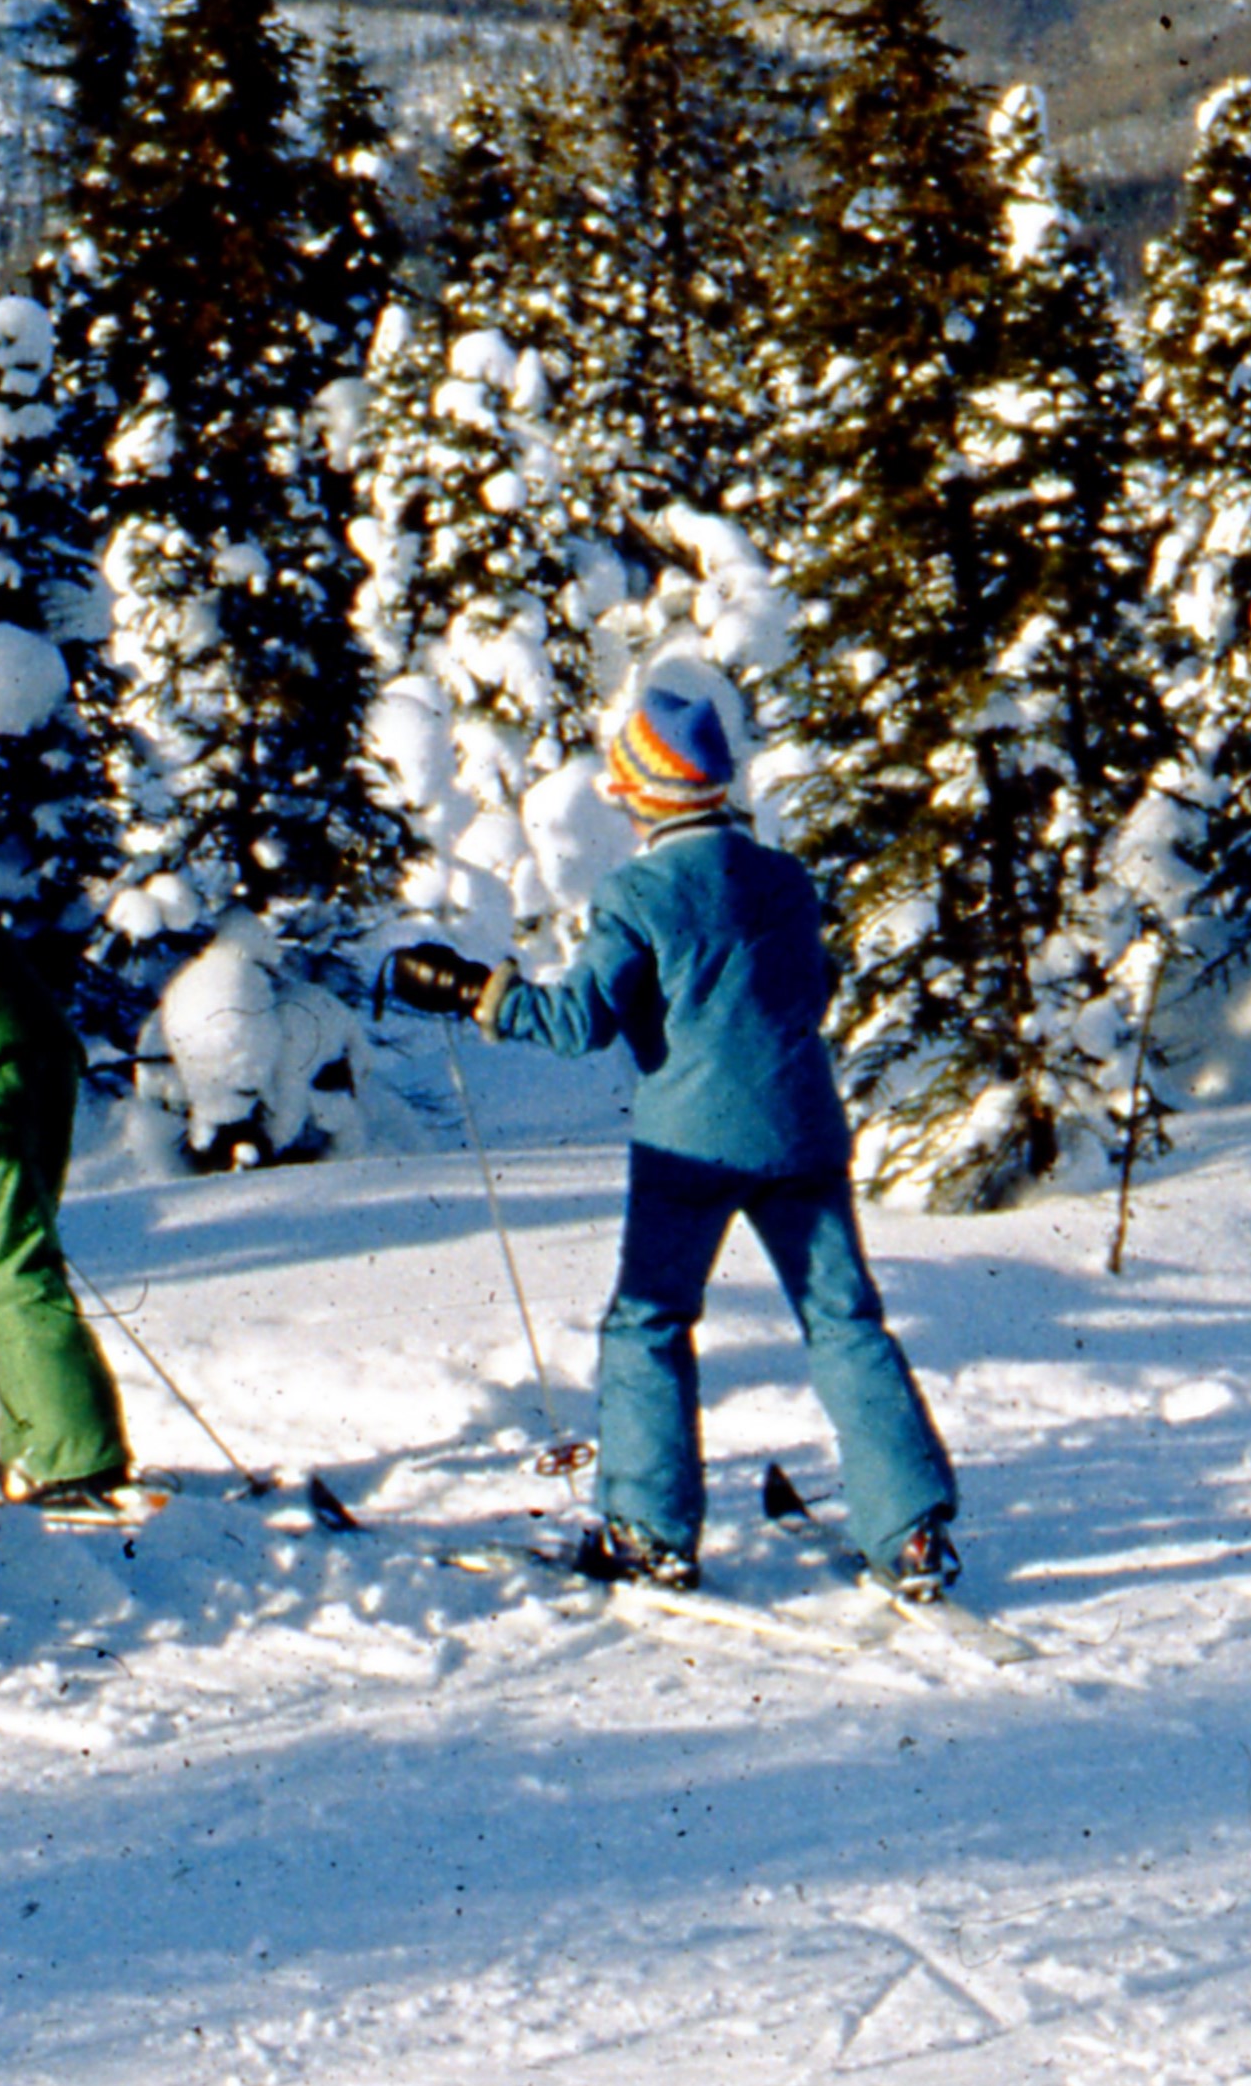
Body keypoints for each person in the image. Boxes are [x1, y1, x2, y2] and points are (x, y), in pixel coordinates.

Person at [382, 656, 965, 1599]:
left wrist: (473, 990)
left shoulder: (638, 894)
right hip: (804, 1132)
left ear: (645, 792)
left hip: (688, 1148)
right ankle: (911, 1532)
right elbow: (810, 991)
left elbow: (578, 1022)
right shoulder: (785, 879)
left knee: (649, 1322)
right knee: (845, 1319)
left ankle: (651, 1533)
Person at [0, 914, 143, 1520]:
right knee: (9, 1260)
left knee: (5, 1267)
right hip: (34, 1049)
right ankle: (36, 1445)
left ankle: (74, 1458)